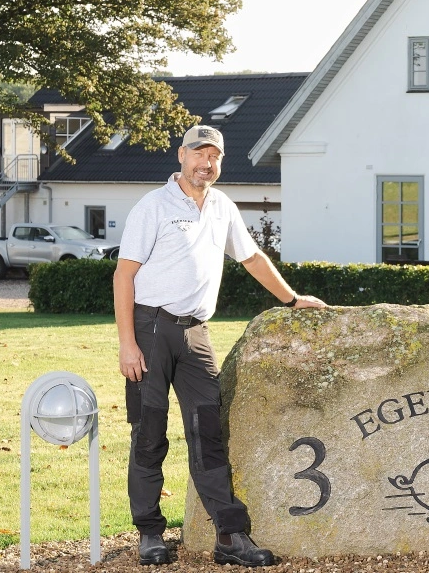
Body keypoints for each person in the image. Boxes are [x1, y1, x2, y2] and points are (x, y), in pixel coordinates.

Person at [115, 125, 326, 567]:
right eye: (198, 154)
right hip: (150, 330)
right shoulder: (152, 206)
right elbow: (124, 275)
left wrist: (291, 298)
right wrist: (127, 344)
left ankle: (229, 536)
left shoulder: (223, 206)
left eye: (214, 156)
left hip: (196, 334)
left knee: (208, 432)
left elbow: (251, 257)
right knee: (149, 434)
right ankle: (150, 533)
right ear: (181, 156)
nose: (205, 163)